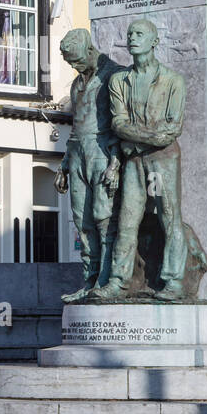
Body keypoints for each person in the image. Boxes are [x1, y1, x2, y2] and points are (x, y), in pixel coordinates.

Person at [91, 17, 191, 302]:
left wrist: (132, 139)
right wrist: (141, 136)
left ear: (154, 41)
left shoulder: (173, 81)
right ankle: (119, 282)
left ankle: (173, 281)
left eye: (139, 34)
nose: (132, 38)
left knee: (170, 219)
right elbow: (118, 124)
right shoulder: (118, 81)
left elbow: (171, 130)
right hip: (134, 163)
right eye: (130, 33)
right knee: (126, 221)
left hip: (163, 161)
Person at [55, 28, 122, 302]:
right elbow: (74, 130)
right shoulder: (76, 84)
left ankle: (106, 279)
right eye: (69, 62)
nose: (73, 66)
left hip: (102, 153)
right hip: (78, 155)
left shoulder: (114, 76)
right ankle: (89, 279)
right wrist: (64, 165)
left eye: (76, 60)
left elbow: (121, 124)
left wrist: (116, 163)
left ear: (89, 51)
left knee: (104, 219)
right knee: (82, 222)